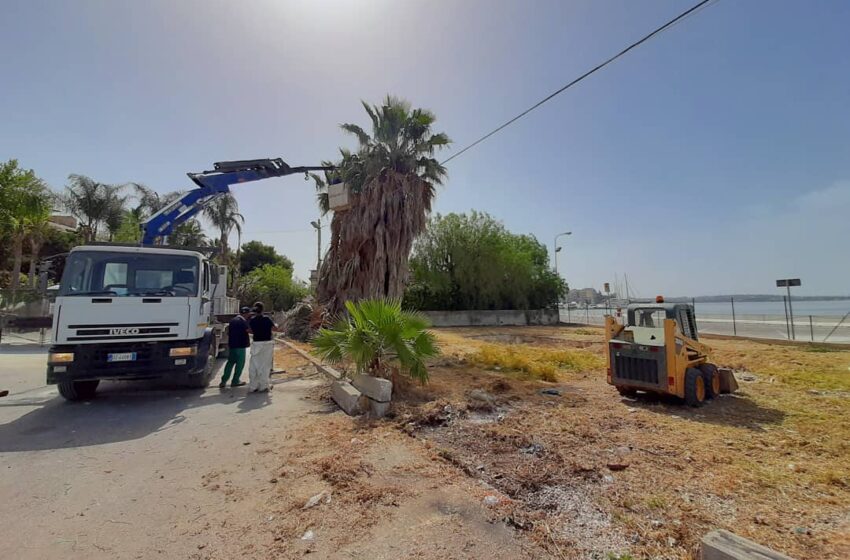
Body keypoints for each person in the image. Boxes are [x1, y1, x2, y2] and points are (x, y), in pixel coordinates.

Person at [247, 302, 279, 393]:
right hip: (267, 344)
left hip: (256, 344)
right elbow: (275, 329)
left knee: (254, 365)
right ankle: (263, 386)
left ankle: (253, 386)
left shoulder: (252, 320)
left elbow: (251, 331)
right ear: (262, 310)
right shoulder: (267, 319)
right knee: (265, 366)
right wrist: (276, 326)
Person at [219, 307, 252, 388]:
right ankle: (235, 380)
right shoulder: (243, 321)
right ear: (246, 314)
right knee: (240, 364)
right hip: (240, 346)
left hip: (232, 346)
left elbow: (228, 333)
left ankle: (223, 381)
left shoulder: (233, 320)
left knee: (230, 363)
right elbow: (249, 331)